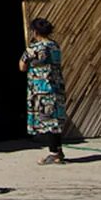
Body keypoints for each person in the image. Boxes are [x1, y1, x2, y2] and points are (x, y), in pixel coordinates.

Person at [19, 17, 67, 165]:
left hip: (42, 89)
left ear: (35, 32)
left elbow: (21, 66)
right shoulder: (55, 46)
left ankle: (53, 153)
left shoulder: (34, 48)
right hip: (57, 87)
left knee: (48, 121)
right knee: (56, 120)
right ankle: (58, 150)